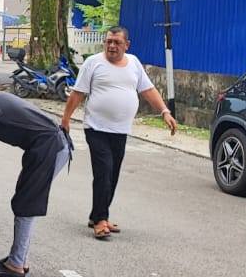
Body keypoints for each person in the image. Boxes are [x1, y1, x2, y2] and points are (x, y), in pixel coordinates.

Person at [59, 26, 177, 240]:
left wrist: (165, 111)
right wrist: (65, 119)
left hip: (121, 130)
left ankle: (97, 215)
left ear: (127, 45)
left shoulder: (134, 63)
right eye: (108, 42)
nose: (112, 46)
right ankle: (101, 220)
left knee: (112, 174)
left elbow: (148, 90)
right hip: (96, 127)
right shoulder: (93, 63)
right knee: (104, 170)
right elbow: (78, 93)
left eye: (117, 42)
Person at [0, 75, 72, 277]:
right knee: (23, 200)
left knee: (25, 202)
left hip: (50, 146)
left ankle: (16, 264)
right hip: (46, 146)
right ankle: (19, 258)